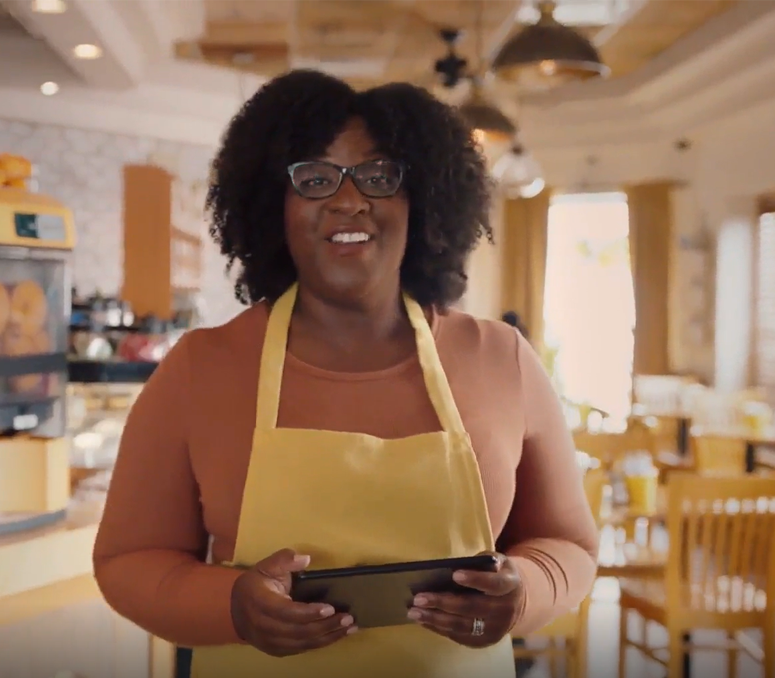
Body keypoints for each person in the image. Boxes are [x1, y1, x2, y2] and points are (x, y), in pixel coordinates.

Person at [92, 69, 597, 678]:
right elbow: (130, 559)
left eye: (379, 176)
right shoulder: (202, 368)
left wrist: (525, 594)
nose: (348, 199)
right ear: (271, 205)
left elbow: (568, 544)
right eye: (314, 178)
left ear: (424, 198)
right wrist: (232, 607)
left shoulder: (502, 359)